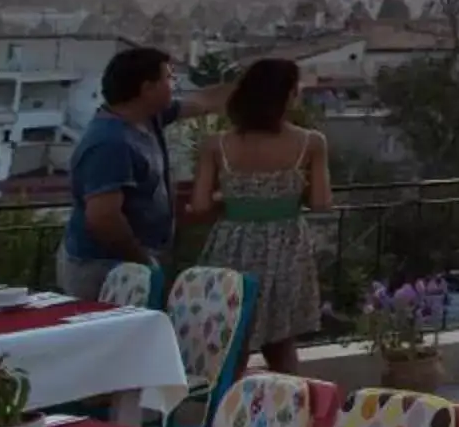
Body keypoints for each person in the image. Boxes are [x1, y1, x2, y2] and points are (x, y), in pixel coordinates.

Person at [190, 57, 332, 373]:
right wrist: (289, 191)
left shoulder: (217, 145)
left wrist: (234, 198)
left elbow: (199, 206)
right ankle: (291, 413)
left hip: (232, 243)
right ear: (287, 96)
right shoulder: (311, 143)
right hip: (286, 247)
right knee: (281, 343)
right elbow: (322, 202)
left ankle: (226, 413)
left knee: (233, 339)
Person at [61, 46, 227, 299]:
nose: (174, 84)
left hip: (131, 263)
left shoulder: (149, 119)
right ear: (148, 88)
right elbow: (103, 217)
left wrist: (252, 83)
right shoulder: (110, 142)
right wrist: (142, 260)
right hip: (104, 268)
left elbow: (201, 102)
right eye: (169, 78)